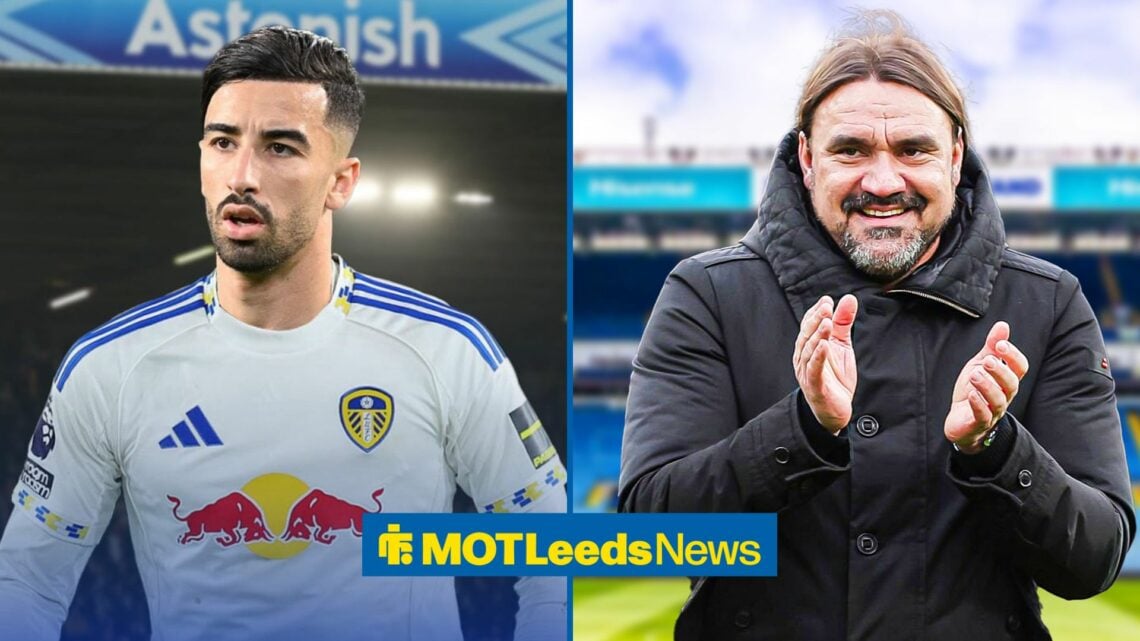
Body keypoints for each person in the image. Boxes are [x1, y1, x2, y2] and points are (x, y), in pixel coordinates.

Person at [0, 26, 566, 641]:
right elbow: (28, 577)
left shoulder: (445, 351)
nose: (241, 175)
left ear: (341, 181)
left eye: (280, 147)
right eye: (223, 142)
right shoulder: (110, 367)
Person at [619, 11, 1133, 641]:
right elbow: (651, 538)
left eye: (913, 149)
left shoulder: (1047, 303)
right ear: (808, 159)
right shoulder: (708, 294)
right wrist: (804, 429)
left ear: (955, 156)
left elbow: (1094, 560)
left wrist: (995, 449)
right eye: (851, 150)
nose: (884, 182)